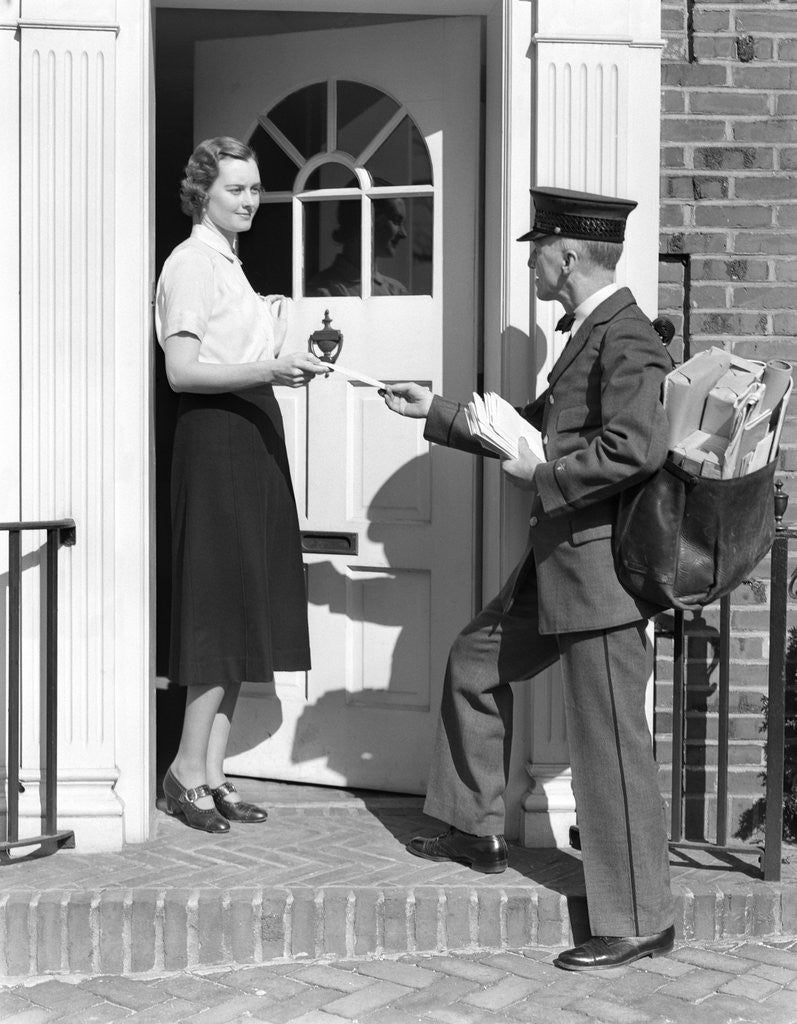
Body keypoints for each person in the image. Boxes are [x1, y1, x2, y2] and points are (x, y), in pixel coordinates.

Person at [382, 187, 675, 971]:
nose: (530, 261)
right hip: (559, 564)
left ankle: (640, 917)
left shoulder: (629, 338)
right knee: (474, 664)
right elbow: (531, 426)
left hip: (600, 574)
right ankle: (472, 825)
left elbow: (635, 448)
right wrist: (437, 412)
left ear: (569, 255)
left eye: (536, 248)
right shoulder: (588, 334)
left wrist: (542, 476)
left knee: (608, 745)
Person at [155, 137, 327, 833]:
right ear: (203, 194)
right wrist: (268, 371)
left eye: (256, 189)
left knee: (243, 603)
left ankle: (211, 772)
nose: (250, 200)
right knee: (215, 609)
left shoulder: (227, 265)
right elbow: (182, 372)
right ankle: (182, 772)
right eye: (237, 189)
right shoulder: (190, 265)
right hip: (216, 435)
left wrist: (276, 331)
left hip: (251, 434)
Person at [306, 196, 408, 296]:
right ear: (367, 221)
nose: (403, 234)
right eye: (396, 221)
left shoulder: (396, 291)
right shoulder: (322, 290)